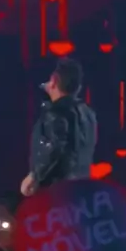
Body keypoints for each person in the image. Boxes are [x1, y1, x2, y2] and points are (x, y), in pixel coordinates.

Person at [20, 57, 97, 197]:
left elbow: (55, 147)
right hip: (81, 192)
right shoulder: (88, 114)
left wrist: (34, 176)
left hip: (56, 193)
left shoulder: (55, 114)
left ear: (54, 81)